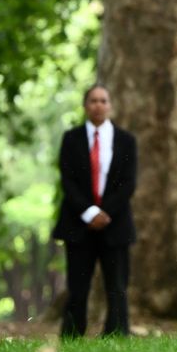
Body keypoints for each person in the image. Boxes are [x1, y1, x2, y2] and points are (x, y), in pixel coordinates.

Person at [53, 85, 137, 338]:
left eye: (103, 100)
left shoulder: (126, 141)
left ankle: (117, 335)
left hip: (115, 224)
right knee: (77, 287)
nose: (98, 105)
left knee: (117, 286)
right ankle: (72, 335)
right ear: (85, 105)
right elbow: (68, 181)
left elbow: (128, 183)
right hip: (79, 225)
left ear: (110, 105)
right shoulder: (71, 139)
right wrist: (89, 212)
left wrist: (105, 212)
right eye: (93, 100)